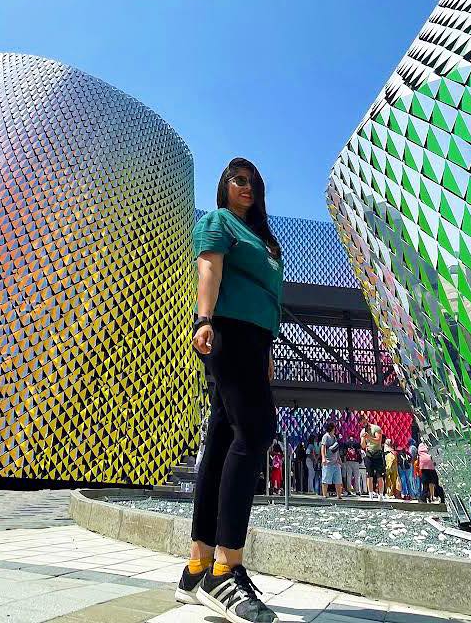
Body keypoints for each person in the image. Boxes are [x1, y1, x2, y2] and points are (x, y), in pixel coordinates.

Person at [178, 158, 284, 623]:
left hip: (255, 340)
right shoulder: (218, 222)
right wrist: (203, 320)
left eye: (253, 182)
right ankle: (226, 568)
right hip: (228, 331)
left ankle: (197, 567)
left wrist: (266, 352)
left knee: (222, 440)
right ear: (224, 187)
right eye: (238, 180)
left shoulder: (262, 238)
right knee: (256, 431)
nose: (247, 187)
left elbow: (267, 300)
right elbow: (210, 271)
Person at [320, 420, 343, 499]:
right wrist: (323, 458)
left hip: (335, 461)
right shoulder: (326, 436)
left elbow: (336, 449)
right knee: (326, 479)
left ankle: (339, 495)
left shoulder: (334, 437)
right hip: (328, 461)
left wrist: (339, 458)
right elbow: (323, 447)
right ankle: (324, 495)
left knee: (338, 479)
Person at [361, 422, 385, 499]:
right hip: (369, 454)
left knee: (379, 476)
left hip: (377, 453)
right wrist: (363, 438)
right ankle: (370, 494)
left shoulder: (376, 428)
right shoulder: (362, 431)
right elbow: (363, 446)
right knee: (369, 475)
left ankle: (381, 494)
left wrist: (369, 437)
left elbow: (378, 440)